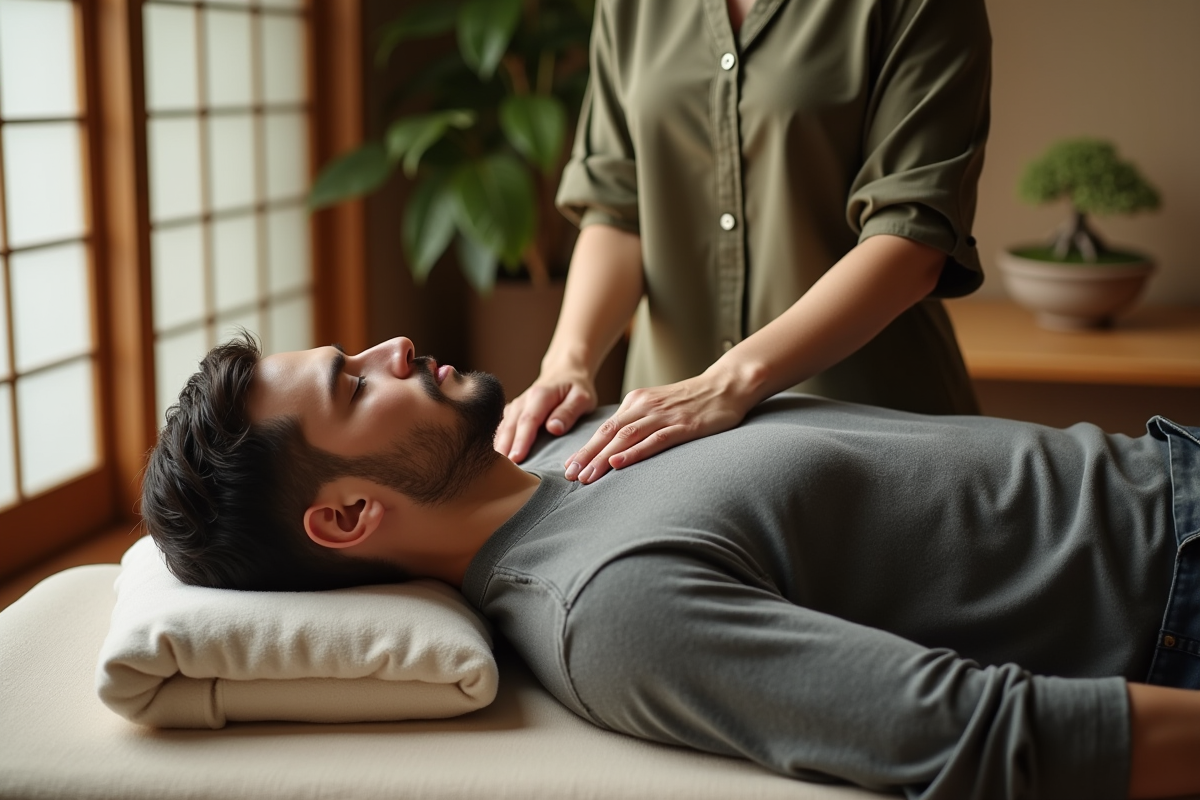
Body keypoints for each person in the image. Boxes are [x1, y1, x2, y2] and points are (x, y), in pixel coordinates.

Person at [142, 334, 1200, 800]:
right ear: (352, 512)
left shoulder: (551, 442)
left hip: (1162, 460)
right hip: (1175, 587)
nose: (393, 345)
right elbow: (978, 734)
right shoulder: (609, 606)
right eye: (354, 383)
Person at [495, 0, 993, 485]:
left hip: (868, 441)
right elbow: (618, 208)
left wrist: (727, 383)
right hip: (661, 457)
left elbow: (912, 234)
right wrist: (567, 363)